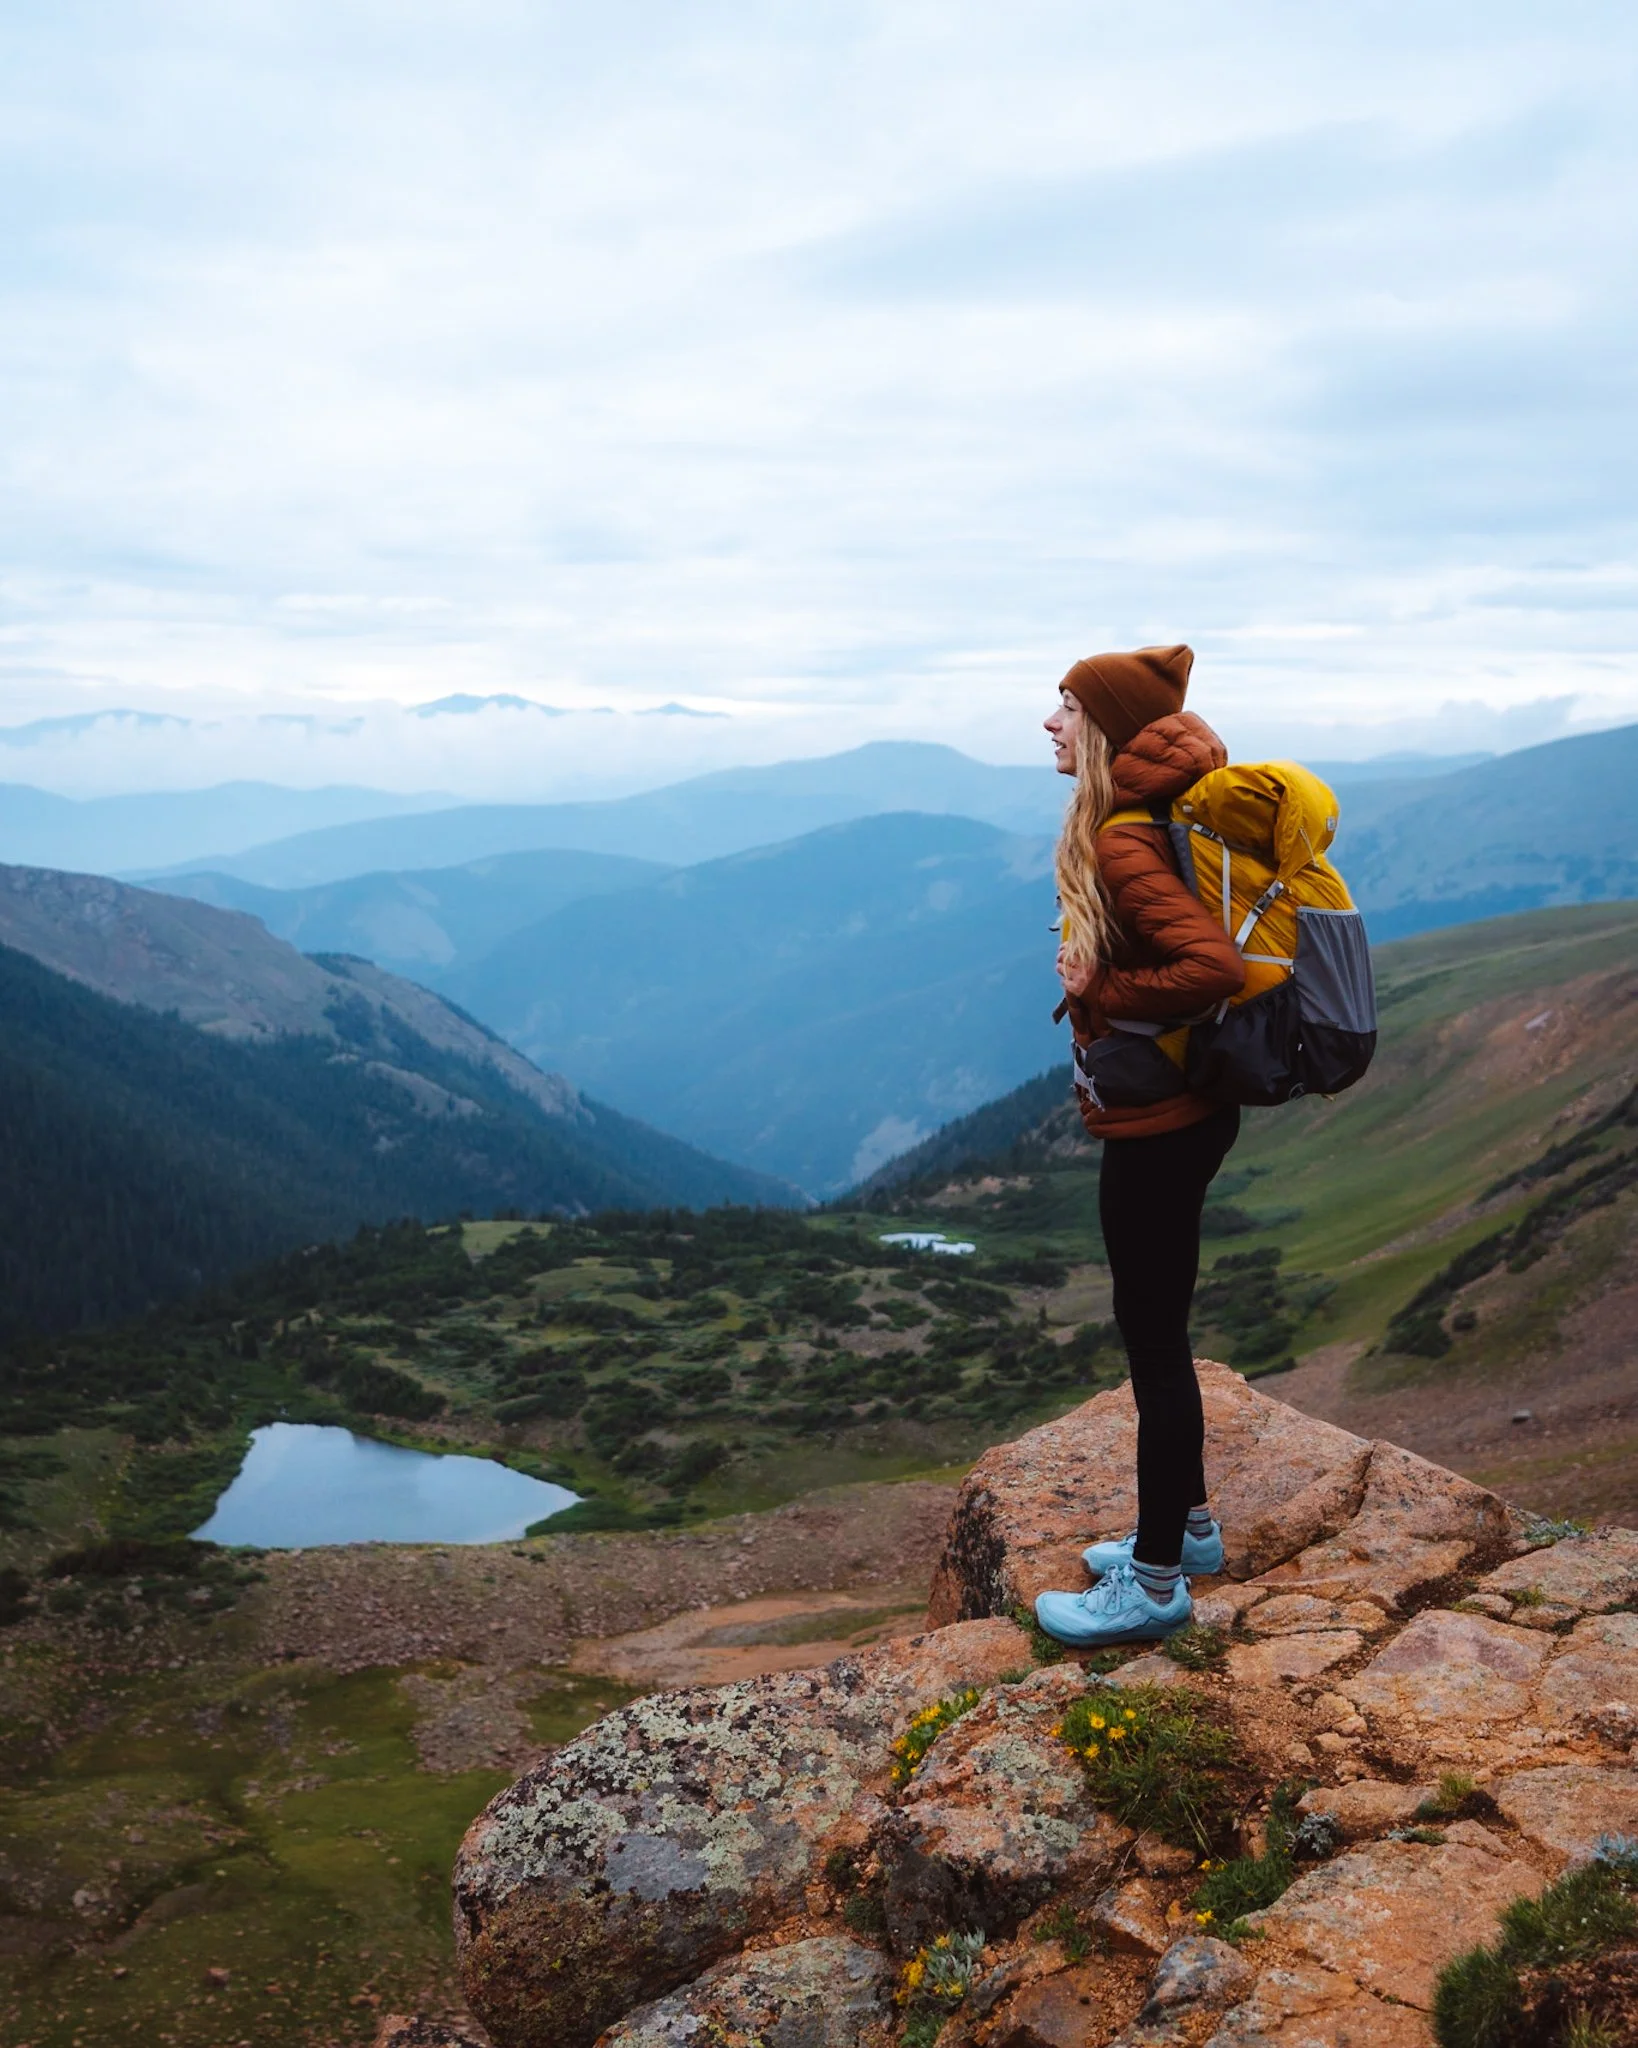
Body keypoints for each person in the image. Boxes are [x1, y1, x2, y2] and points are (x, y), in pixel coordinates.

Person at [1033, 643, 1245, 1647]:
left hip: (1158, 1128)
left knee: (1154, 1347)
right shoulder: (1152, 817)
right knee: (1163, 1330)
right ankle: (1189, 1528)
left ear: (1106, 729)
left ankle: (1156, 1581)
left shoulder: (1121, 837)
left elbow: (1211, 968)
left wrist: (1096, 991)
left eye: (1067, 708)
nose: (1050, 723)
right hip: (1185, 1111)